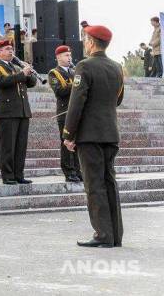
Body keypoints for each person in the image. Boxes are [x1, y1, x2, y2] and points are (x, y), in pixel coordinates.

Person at [63, 24, 125, 248]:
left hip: (90, 135)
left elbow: (76, 101)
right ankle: (115, 235)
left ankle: (102, 235)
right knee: (109, 182)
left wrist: (69, 133)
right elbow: (117, 100)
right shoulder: (117, 67)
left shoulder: (84, 66)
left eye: (85, 39)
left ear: (90, 43)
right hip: (110, 133)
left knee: (94, 185)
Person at [0, 39, 37, 185]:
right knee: (7, 146)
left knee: (20, 146)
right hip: (6, 112)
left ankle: (19, 174)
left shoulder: (16, 67)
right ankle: (8, 175)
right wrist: (22, 74)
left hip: (22, 111)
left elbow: (31, 83)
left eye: (12, 49)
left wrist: (29, 72)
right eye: (7, 49)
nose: (11, 51)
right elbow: (0, 82)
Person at [48, 45, 82, 183]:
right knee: (66, 142)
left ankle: (78, 170)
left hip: (77, 112)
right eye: (66, 55)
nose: (70, 58)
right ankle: (69, 171)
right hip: (64, 112)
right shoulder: (54, 73)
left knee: (77, 142)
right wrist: (77, 83)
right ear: (58, 57)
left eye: (70, 55)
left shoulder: (75, 72)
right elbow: (59, 91)